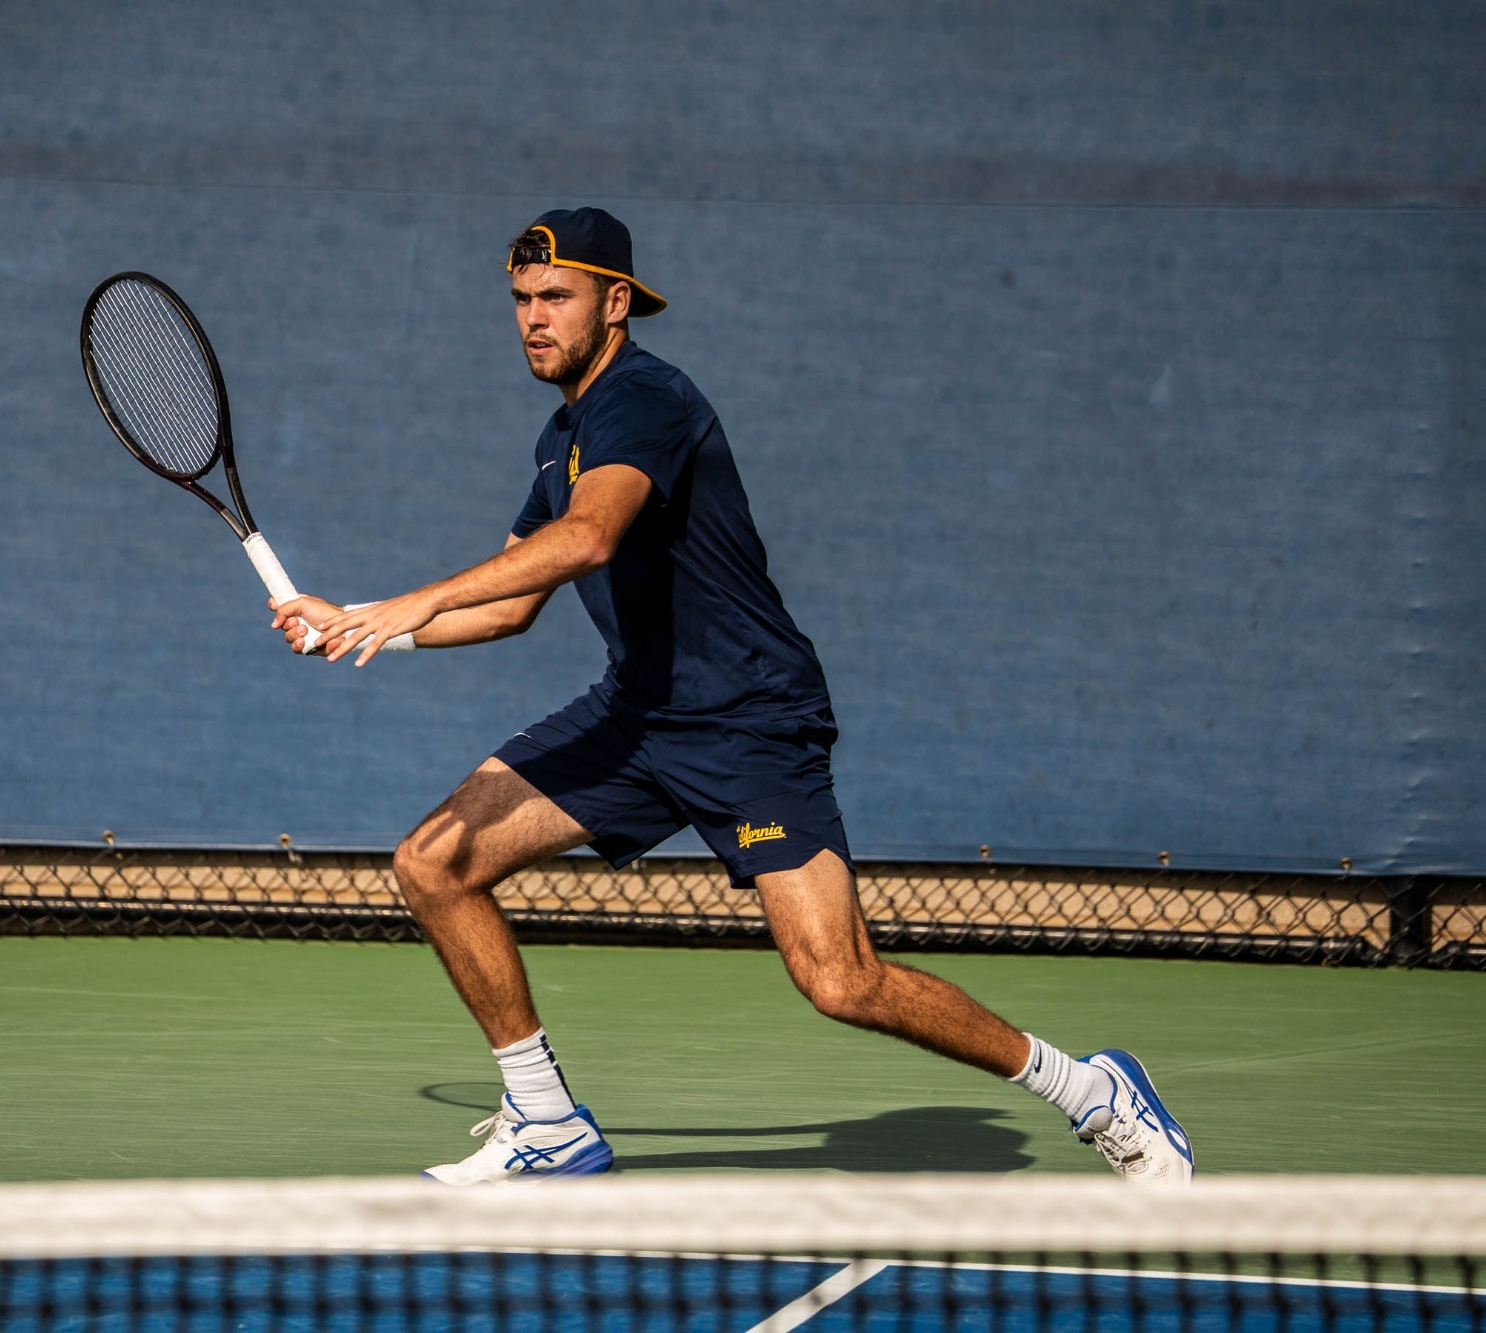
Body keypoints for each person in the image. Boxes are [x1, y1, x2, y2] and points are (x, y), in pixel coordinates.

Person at [271, 207, 1193, 1187]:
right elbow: (509, 605)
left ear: (614, 304)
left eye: (555, 298)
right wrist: (365, 619)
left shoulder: (643, 400)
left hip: (749, 719)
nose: (531, 319)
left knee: (840, 980)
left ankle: (1091, 1091)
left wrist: (403, 603)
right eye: (519, 300)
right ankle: (545, 1120)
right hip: (637, 715)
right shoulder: (562, 434)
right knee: (432, 864)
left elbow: (587, 539)